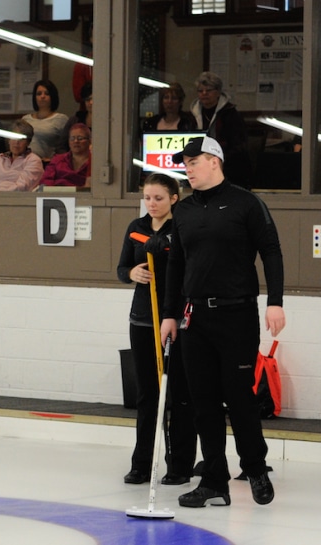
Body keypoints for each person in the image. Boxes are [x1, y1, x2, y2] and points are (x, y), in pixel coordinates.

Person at [160, 136, 284, 508]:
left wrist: (275, 302)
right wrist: (169, 313)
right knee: (204, 402)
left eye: (193, 162)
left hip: (237, 314)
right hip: (195, 318)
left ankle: (256, 467)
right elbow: (176, 266)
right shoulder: (182, 210)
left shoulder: (246, 203)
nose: (187, 169)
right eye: (184, 163)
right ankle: (214, 480)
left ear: (214, 160)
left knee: (239, 397)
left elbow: (272, 252)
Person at [116, 173, 197, 487]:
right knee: (147, 394)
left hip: (174, 320)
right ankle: (142, 464)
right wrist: (131, 273)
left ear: (174, 199)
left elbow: (190, 271)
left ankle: (179, 465)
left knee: (178, 394)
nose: (152, 204)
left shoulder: (183, 229)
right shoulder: (135, 228)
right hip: (142, 319)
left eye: (159, 198)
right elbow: (122, 268)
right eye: (148, 198)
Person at [189, 72, 250, 188]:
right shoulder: (194, 114)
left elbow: (239, 146)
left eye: (209, 90)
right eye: (200, 91)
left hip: (228, 167)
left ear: (218, 92)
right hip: (200, 165)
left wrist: (219, 159)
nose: (204, 94)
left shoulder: (231, 114)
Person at [0, 120, 44, 192]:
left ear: (28, 142)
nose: (17, 142)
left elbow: (23, 187)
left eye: (21, 139)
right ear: (9, 139)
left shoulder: (34, 160)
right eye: (14, 137)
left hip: (18, 199)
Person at [21, 79, 68, 162]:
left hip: (47, 164)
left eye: (47, 93)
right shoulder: (25, 119)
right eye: (39, 94)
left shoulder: (61, 119)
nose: (42, 96)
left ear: (52, 96)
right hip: (25, 163)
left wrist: (54, 160)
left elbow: (66, 147)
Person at [40, 123, 92, 188]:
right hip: (58, 195)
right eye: (72, 138)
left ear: (89, 141)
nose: (76, 141)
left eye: (80, 138)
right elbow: (45, 181)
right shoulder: (58, 159)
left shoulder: (94, 162)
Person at [56, 81, 93, 154]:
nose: (91, 102)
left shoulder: (108, 122)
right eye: (88, 99)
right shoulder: (75, 120)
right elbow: (61, 146)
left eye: (94, 99)